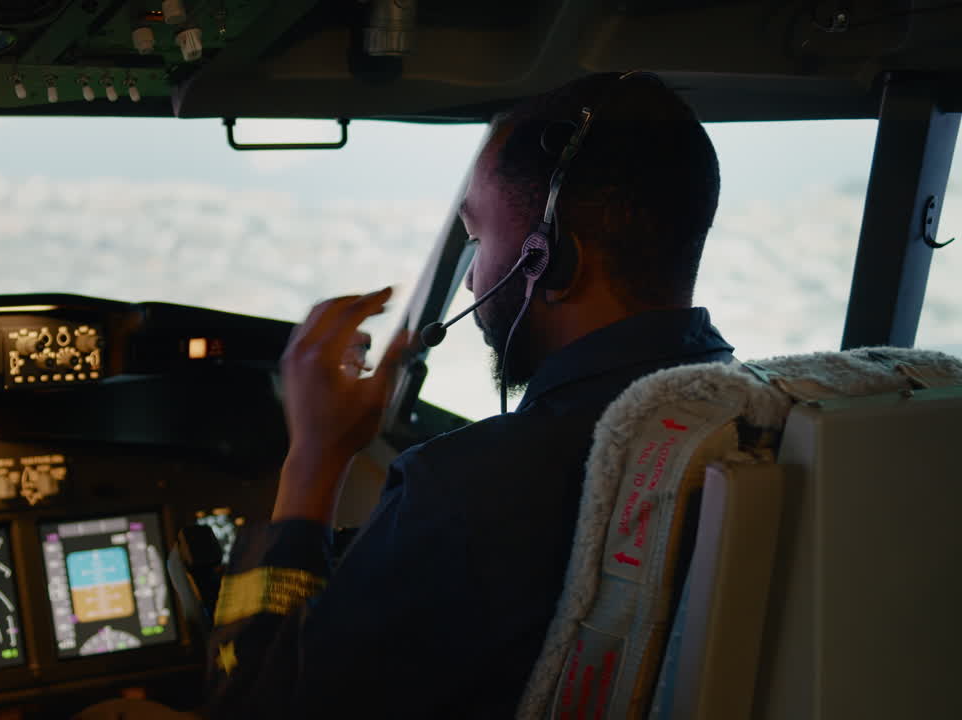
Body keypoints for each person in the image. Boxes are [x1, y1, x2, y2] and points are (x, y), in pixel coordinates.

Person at [204, 72, 734, 719]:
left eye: (478, 239)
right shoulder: (755, 421)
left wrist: (313, 459)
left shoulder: (471, 491)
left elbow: (256, 709)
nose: (470, 283)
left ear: (551, 258)